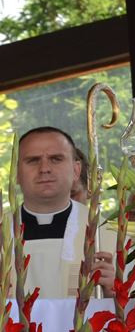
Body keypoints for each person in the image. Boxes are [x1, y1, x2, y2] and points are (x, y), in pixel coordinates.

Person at [15, 127, 115, 298]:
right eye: (33, 160)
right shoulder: (3, 231)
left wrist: (115, 293)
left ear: (76, 170)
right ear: (16, 173)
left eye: (56, 159)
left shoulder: (109, 236)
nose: (44, 168)